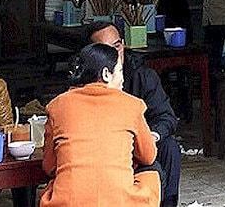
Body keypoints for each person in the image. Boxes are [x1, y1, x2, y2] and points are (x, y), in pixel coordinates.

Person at [40, 43, 161, 207]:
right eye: (119, 71)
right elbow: (148, 156)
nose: (123, 79)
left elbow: (49, 166)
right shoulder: (132, 105)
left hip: (68, 203)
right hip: (119, 203)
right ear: (106, 74)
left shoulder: (57, 106)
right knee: (152, 172)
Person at [88, 22, 181, 207]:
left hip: (140, 147)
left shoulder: (142, 75)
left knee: (169, 147)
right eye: (106, 50)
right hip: (100, 150)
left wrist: (150, 137)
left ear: (123, 45)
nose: (115, 55)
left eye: (117, 46)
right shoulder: (83, 83)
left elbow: (166, 117)